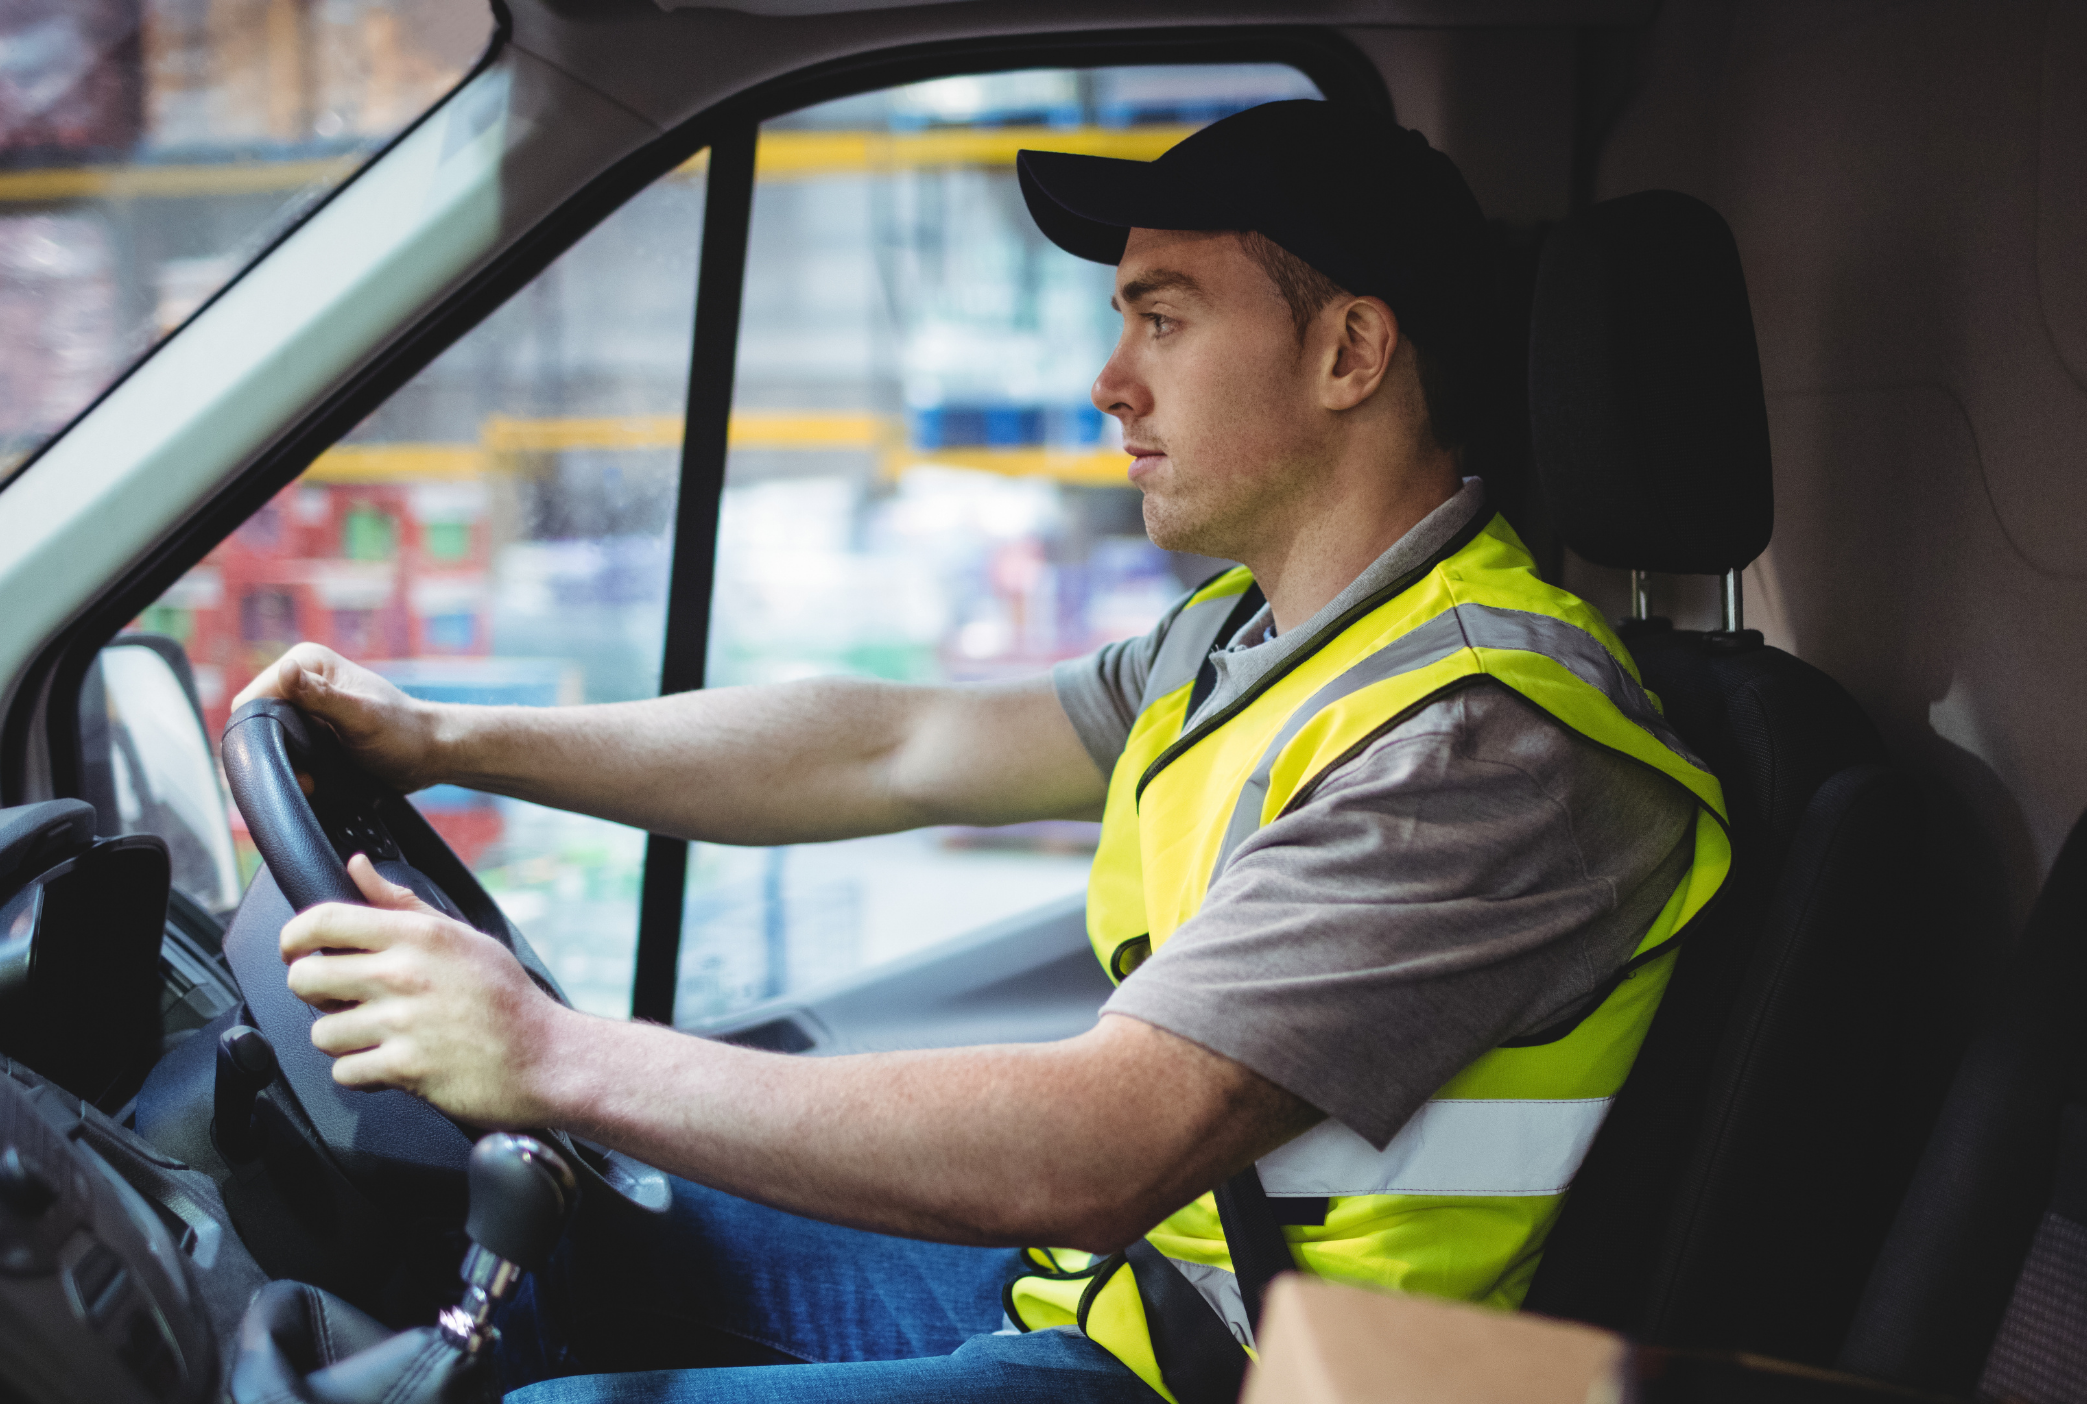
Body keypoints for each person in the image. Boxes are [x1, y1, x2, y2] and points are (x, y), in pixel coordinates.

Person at [243, 100, 1730, 1404]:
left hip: (1252, 1372)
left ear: (1349, 351)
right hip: (1130, 1298)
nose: (1112, 381)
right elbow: (899, 743)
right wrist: (448, 739)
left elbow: (1094, 1152)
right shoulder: (1258, 640)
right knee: (586, 1238)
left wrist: (554, 1052)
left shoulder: (1478, 733)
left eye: (1163, 318)